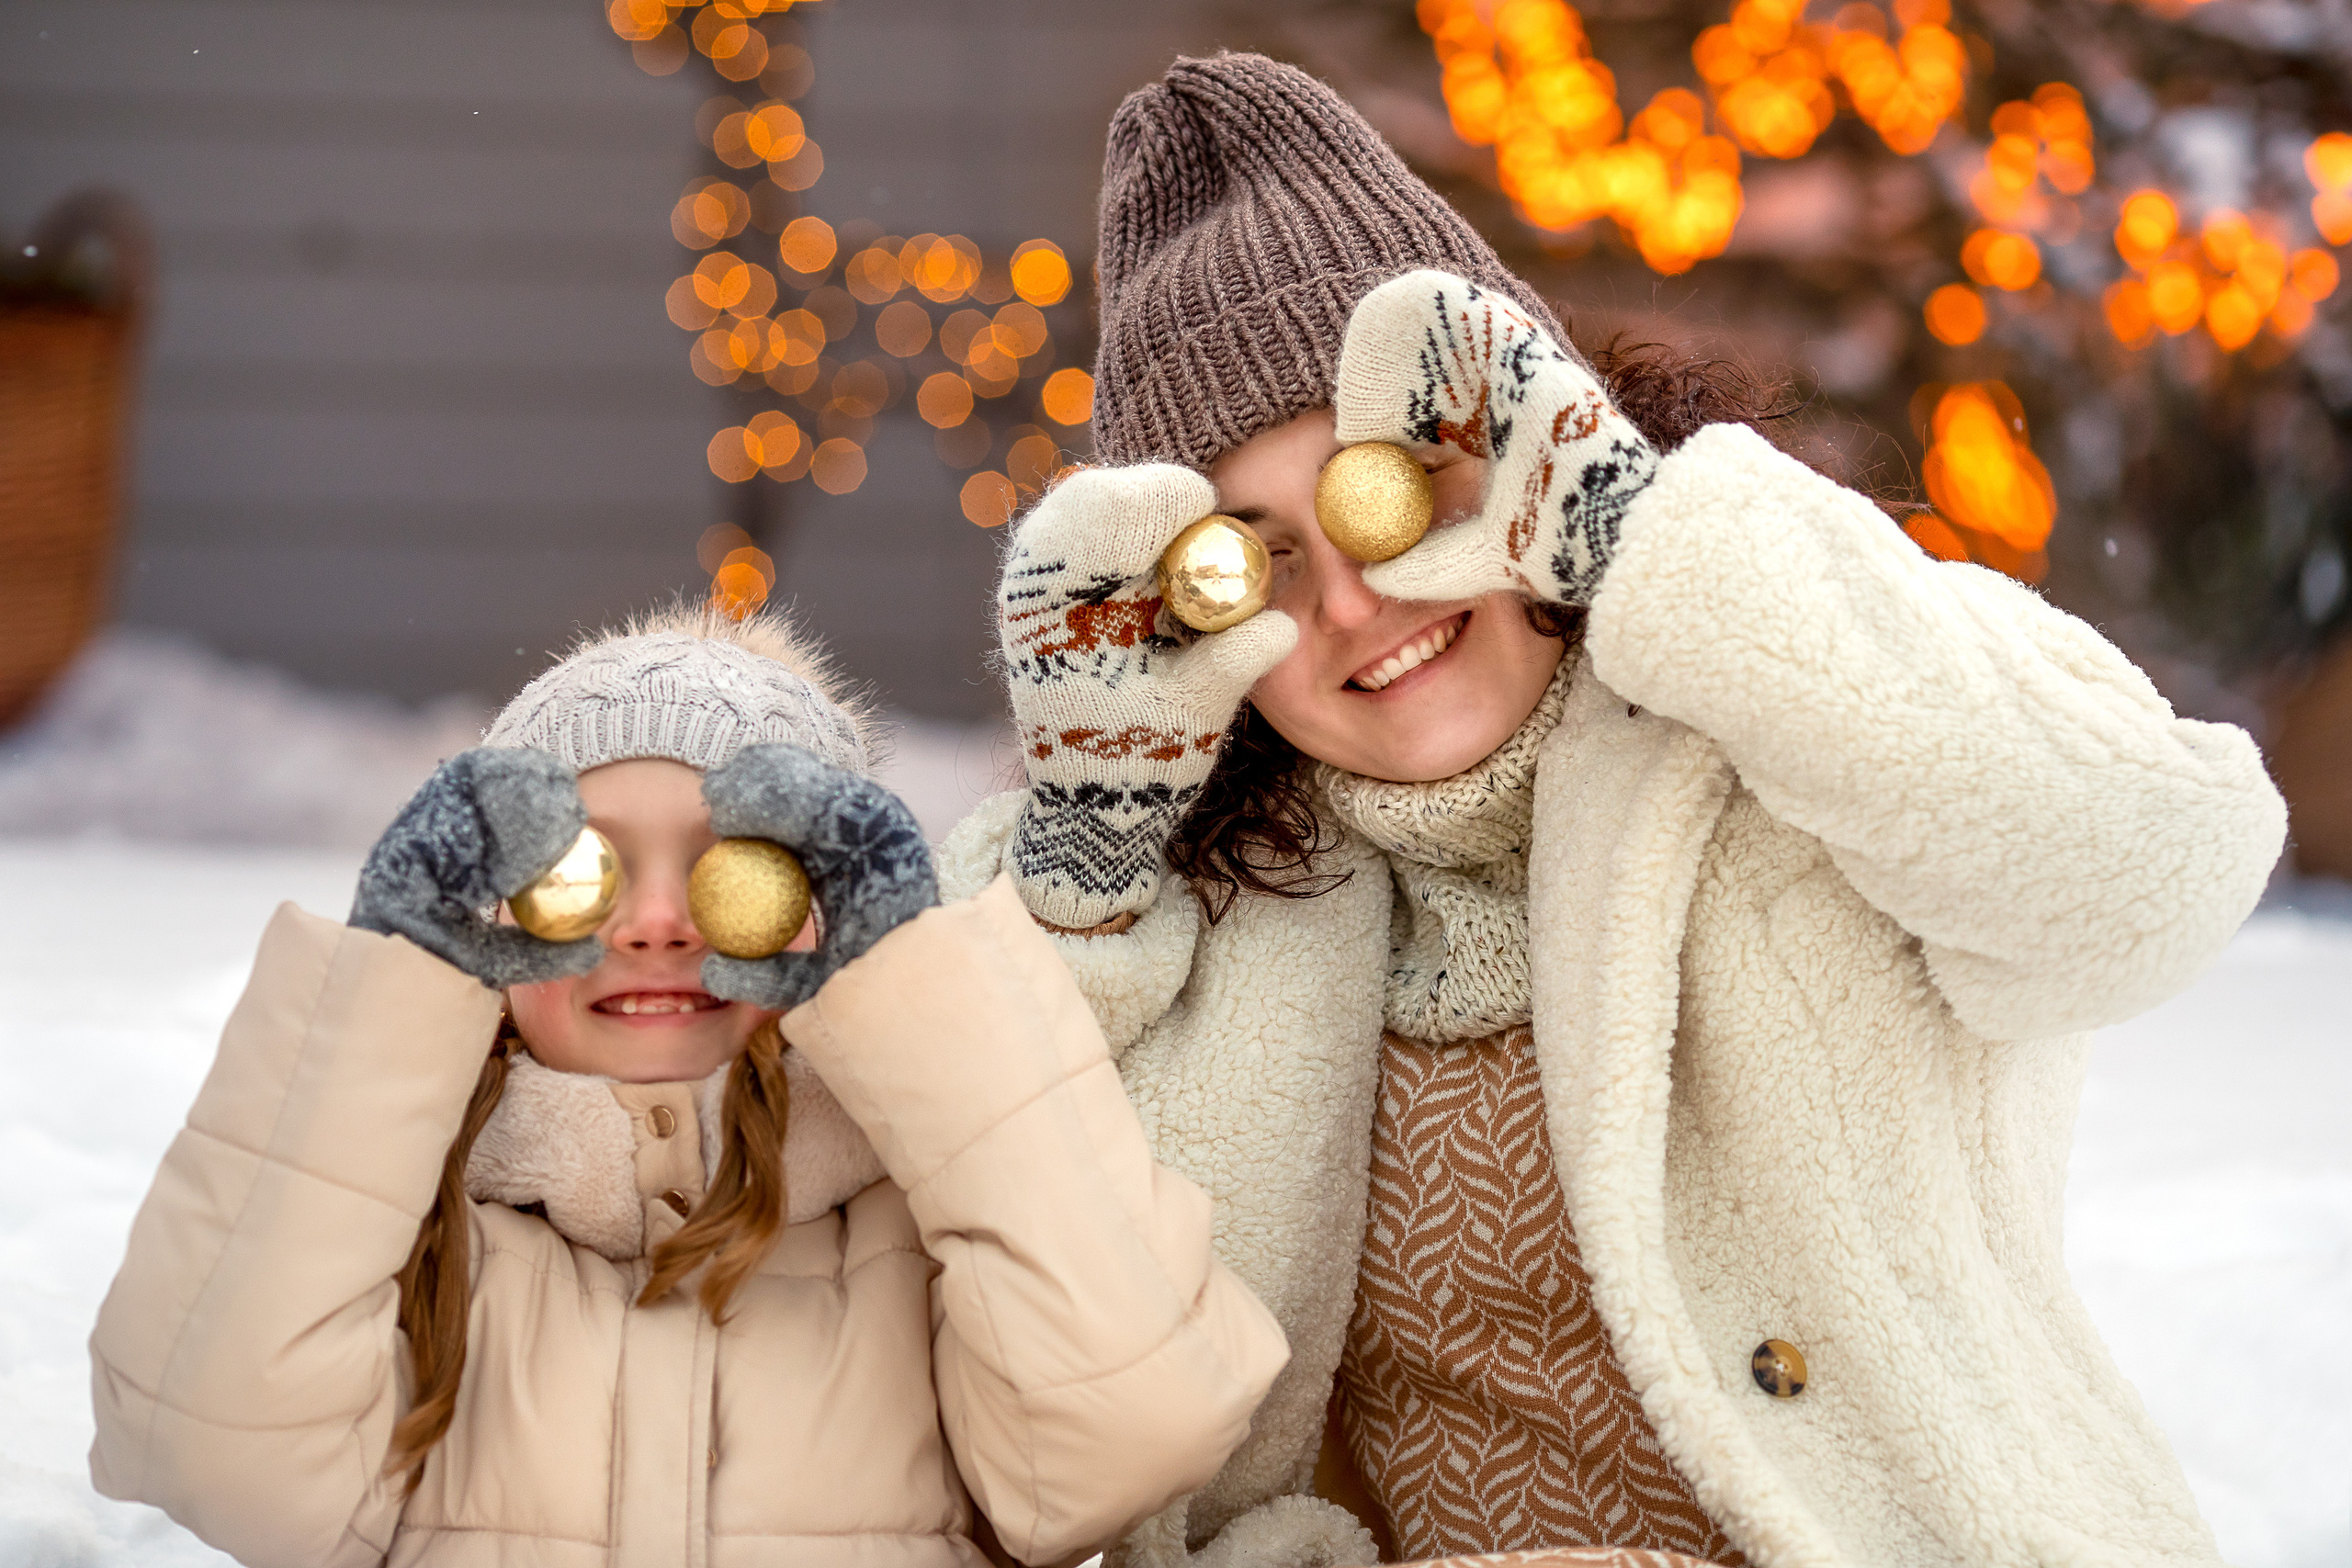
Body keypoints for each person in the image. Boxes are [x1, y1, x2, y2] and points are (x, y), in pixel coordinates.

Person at [942, 53, 2287, 1568]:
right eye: (1254, 561)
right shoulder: (1219, 913)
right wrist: (1084, 869)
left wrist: (1647, 540)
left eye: (1394, 491)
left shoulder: (1796, 715)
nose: (1355, 602)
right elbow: (1023, 1413)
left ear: (1517, 445)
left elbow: (2157, 872)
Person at [88, 605, 1289, 1567]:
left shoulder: (928, 1232)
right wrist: (385, 995)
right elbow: (217, 1454)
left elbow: (1133, 1434)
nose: (656, 923)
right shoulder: (411, 1236)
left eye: (739, 874)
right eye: (579, 874)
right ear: (488, 933)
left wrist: (927, 991)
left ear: (836, 924)